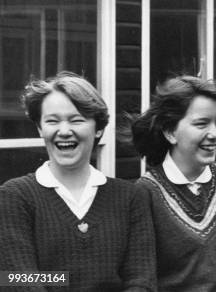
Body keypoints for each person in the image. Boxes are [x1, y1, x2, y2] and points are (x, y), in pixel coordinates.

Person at [0, 72, 156, 291]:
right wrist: (62, 279)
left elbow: (142, 281)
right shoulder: (15, 197)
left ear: (98, 128)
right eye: (52, 121)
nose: (64, 131)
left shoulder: (131, 198)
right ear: (39, 128)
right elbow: (18, 280)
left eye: (77, 120)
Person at [131, 76, 216, 291]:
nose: (215, 134)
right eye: (201, 123)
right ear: (170, 132)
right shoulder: (145, 191)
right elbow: (142, 278)